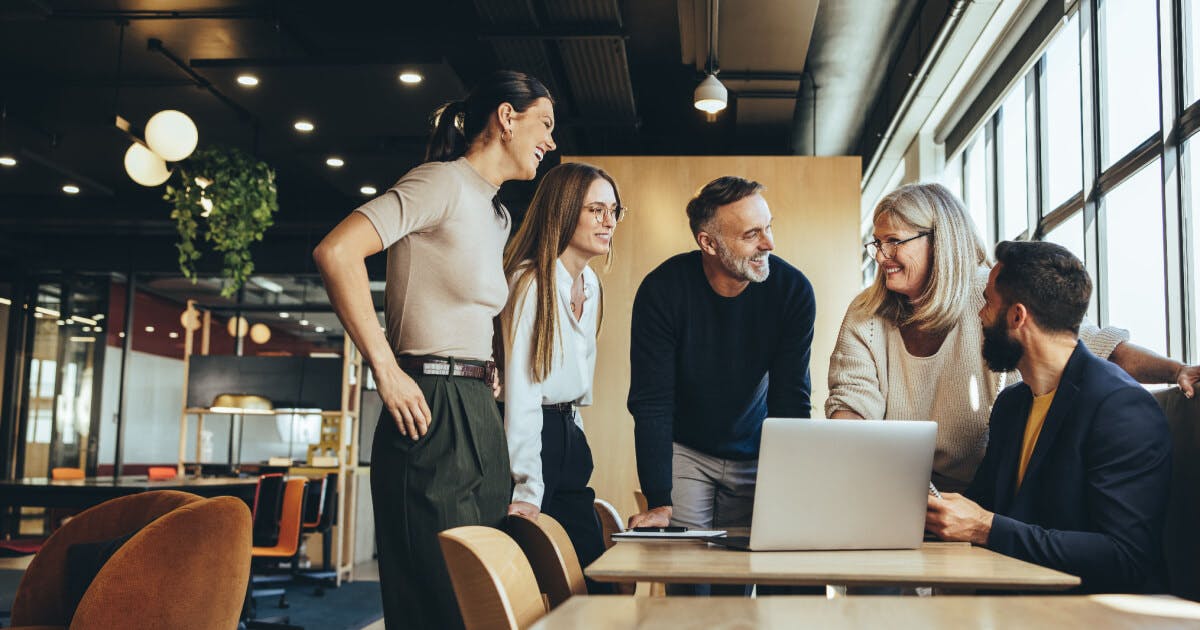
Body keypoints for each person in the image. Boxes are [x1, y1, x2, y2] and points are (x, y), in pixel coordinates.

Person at [312, 70, 556, 630]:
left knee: (483, 598)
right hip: (427, 403)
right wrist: (386, 369)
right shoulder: (440, 183)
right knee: (440, 602)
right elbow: (337, 252)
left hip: (475, 407)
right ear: (506, 117)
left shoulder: (497, 213)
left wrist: (489, 365)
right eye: (544, 123)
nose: (550, 140)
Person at [827, 183, 1197, 493]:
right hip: (893, 485)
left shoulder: (989, 295)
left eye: (893, 241)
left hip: (986, 492)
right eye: (876, 243)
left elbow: (1088, 347)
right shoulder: (867, 314)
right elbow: (852, 410)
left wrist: (1176, 370)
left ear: (939, 242)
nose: (881, 256)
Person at [926, 240, 1171, 594]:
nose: (979, 314)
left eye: (988, 304)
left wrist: (985, 527)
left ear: (1017, 316)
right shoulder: (1012, 405)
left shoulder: (1122, 408)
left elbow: (1125, 557)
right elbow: (983, 507)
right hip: (1016, 604)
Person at [625, 176, 816, 545]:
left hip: (759, 449)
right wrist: (659, 500)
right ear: (708, 243)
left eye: (769, 227)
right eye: (751, 235)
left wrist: (793, 485)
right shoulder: (662, 291)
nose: (769, 244)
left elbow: (791, 397)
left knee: (741, 573)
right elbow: (652, 401)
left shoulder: (793, 291)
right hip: (687, 451)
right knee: (687, 573)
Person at [500, 162, 623, 592]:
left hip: (569, 434)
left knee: (591, 578)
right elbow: (522, 392)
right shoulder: (530, 281)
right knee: (532, 582)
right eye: (596, 210)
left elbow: (577, 384)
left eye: (614, 210)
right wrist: (528, 487)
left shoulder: (590, 284)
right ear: (564, 211)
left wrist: (578, 441)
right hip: (534, 440)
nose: (609, 221)